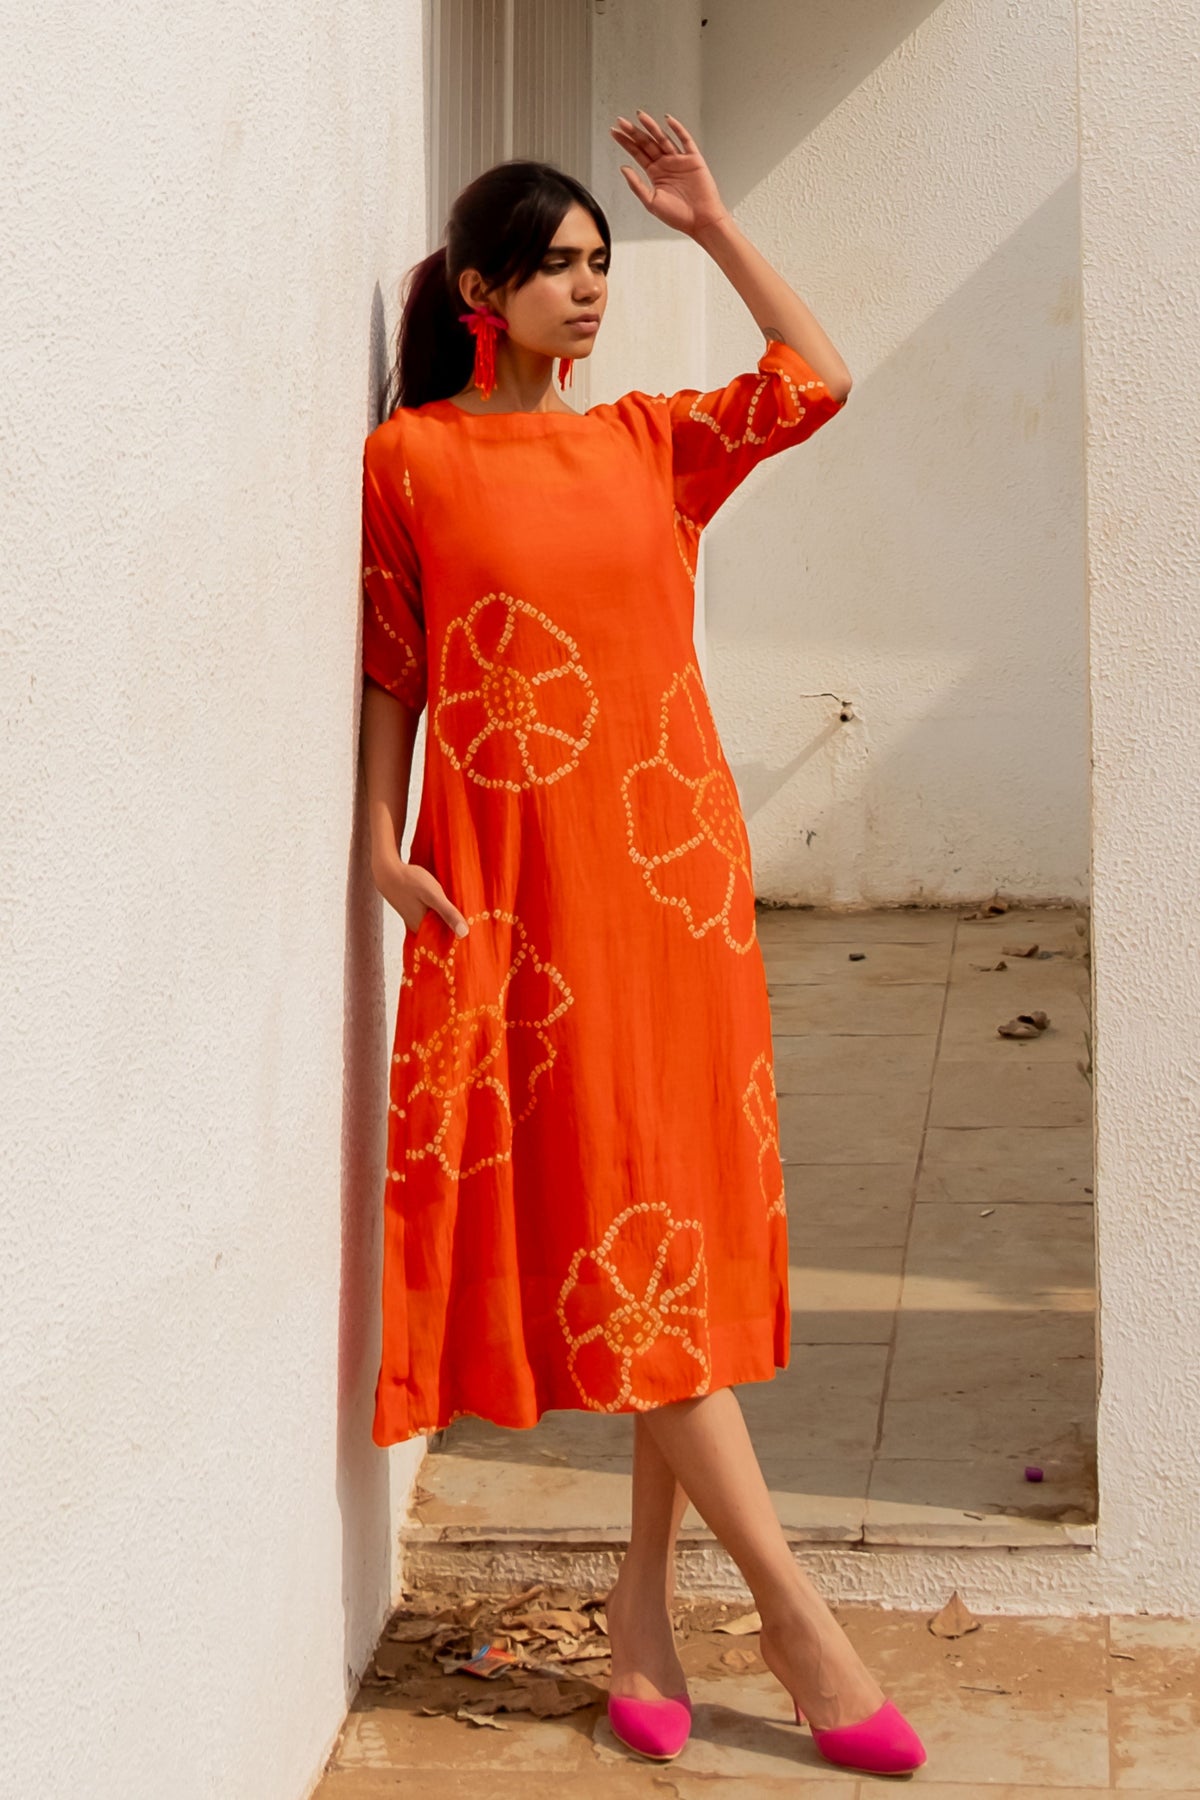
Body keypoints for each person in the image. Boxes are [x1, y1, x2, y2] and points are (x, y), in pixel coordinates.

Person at [359, 109, 926, 1779]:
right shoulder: (414, 461)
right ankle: (798, 1617)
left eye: (604, 267)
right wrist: (374, 849)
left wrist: (715, 215)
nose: (590, 294)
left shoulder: (651, 445)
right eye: (559, 269)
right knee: (627, 1244)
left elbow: (813, 377)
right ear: (480, 291)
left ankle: (643, 1611)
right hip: (528, 899)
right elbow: (395, 665)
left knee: (678, 1240)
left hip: (677, 885)